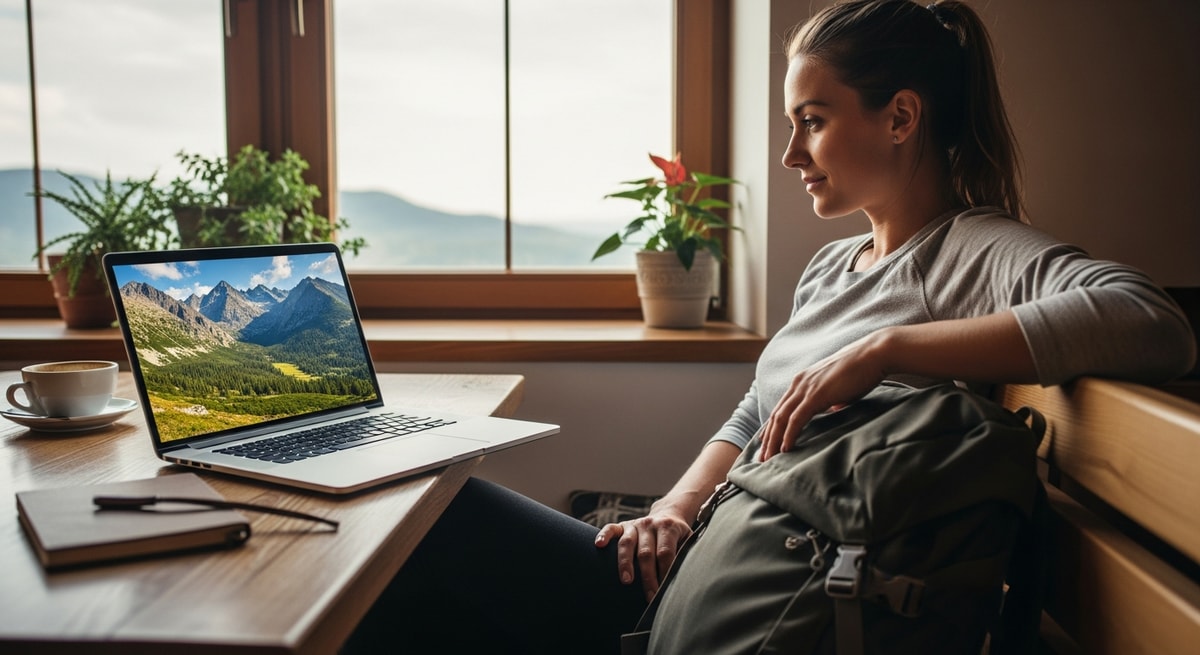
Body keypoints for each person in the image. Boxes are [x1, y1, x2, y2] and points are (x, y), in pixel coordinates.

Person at [343, 1, 1196, 653]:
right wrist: (672, 511)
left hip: (768, 598)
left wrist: (885, 349)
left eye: (812, 122)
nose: (791, 154)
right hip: (713, 554)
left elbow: (1152, 322)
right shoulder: (831, 265)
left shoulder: (972, 250)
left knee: (423, 531)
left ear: (901, 117)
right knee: (419, 515)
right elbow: (756, 415)